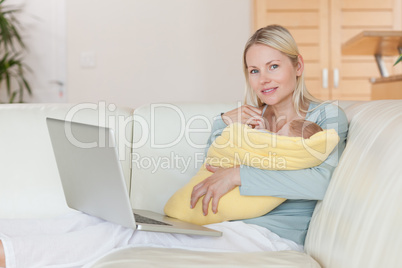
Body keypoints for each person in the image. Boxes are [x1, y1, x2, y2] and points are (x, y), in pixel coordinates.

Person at [0, 24, 348, 268]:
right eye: (254, 71)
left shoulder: (326, 117)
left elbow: (320, 181)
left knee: (123, 240)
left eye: (274, 66)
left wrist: (240, 174)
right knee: (90, 220)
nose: (264, 79)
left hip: (266, 236)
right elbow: (212, 165)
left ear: (298, 66)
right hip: (216, 223)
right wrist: (223, 126)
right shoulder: (245, 118)